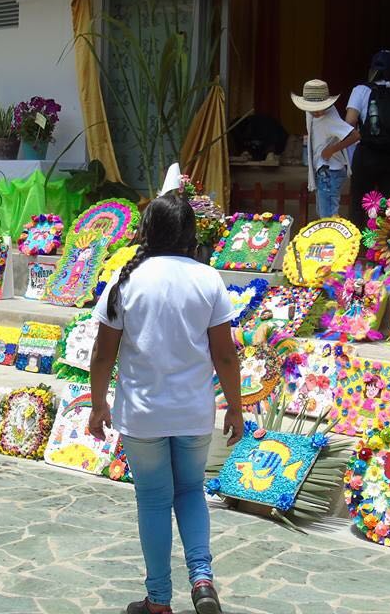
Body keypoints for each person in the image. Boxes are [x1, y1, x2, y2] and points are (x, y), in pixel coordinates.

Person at [88, 192, 243, 614]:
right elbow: (225, 355)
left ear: (146, 232)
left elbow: (103, 354)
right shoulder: (208, 279)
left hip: (142, 415)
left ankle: (158, 600)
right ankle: (202, 579)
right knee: (191, 492)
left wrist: (98, 403)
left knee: (154, 500)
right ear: (191, 233)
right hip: (193, 412)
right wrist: (235, 406)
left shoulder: (126, 279)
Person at [322, 50, 390, 224]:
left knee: (360, 204)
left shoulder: (361, 90)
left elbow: (350, 123)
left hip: (367, 155)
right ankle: (389, 245)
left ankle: (359, 244)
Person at [291, 79, 355, 218]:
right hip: (322, 170)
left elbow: (355, 135)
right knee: (323, 215)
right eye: (313, 109)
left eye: (320, 107)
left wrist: (331, 150)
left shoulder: (331, 117)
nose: (317, 112)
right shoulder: (310, 113)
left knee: (329, 217)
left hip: (330, 171)